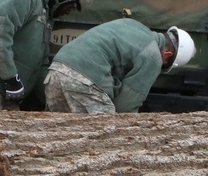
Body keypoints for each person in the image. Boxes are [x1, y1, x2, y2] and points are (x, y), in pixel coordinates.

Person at [45, 19, 196, 113]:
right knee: (108, 135)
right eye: (164, 65)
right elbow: (125, 107)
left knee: (59, 133)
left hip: (56, 70)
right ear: (167, 54)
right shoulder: (153, 56)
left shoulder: (135, 26)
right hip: (82, 80)